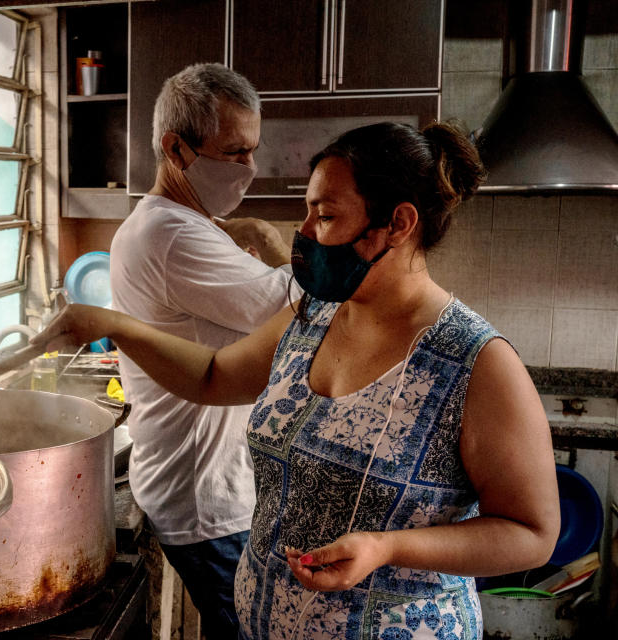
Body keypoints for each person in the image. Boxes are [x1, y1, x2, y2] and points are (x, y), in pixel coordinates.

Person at [33, 122, 560, 640]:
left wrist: (388, 547)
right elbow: (214, 378)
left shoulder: (476, 362)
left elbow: (531, 533)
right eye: (308, 210)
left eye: (326, 215)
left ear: (397, 224)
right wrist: (114, 325)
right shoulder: (313, 317)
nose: (303, 232)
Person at [110, 63, 296, 638]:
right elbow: (299, 304)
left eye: (252, 151)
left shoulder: (191, 223)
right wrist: (276, 245)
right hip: (203, 498)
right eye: (234, 152)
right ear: (176, 149)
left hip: (206, 486)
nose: (249, 167)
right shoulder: (171, 234)